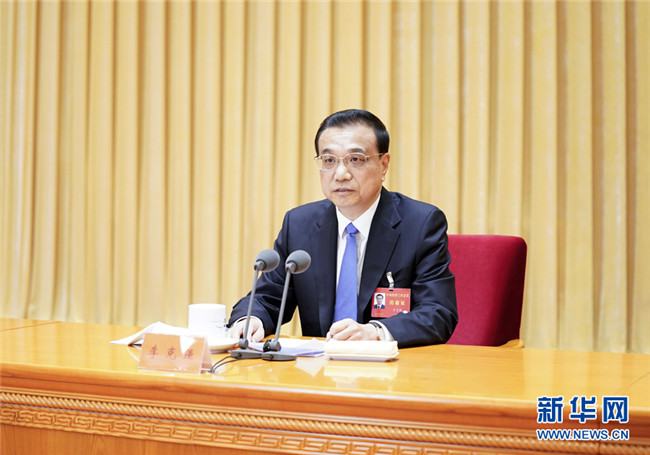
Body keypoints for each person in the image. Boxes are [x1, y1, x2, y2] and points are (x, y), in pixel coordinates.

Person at [227, 109, 457, 347]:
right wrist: (250, 319)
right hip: (319, 366)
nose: (340, 174)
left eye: (355, 159)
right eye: (329, 160)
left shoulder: (419, 224)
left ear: (383, 165)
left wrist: (375, 332)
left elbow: (438, 312)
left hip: (390, 366)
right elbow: (268, 297)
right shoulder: (300, 224)